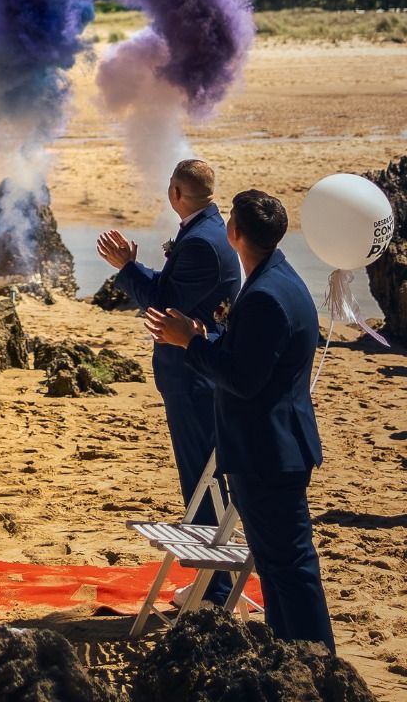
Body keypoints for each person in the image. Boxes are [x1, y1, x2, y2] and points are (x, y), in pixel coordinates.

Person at [146, 188, 334, 650]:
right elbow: (254, 358)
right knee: (275, 565)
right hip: (270, 446)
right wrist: (214, 337)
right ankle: (293, 653)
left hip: (268, 450)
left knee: (289, 566)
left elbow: (244, 380)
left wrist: (190, 343)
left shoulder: (267, 295)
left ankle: (316, 659)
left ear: (235, 232)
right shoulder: (279, 277)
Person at [97, 157, 240, 605]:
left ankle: (212, 589)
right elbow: (177, 290)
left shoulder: (200, 241)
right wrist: (142, 270)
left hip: (193, 376)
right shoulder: (209, 229)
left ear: (177, 193)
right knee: (206, 477)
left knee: (201, 478)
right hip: (200, 371)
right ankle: (211, 581)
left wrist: (126, 267)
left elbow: (164, 305)